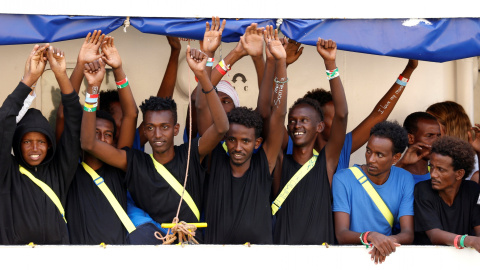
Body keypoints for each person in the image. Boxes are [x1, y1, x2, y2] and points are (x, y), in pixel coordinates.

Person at [80, 33, 228, 245]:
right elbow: (88, 143)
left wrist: (203, 76)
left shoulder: (191, 154)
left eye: (165, 127)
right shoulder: (135, 162)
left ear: (176, 129)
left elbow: (222, 127)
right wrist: (94, 86)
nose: (158, 135)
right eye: (150, 128)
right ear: (145, 132)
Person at [203, 25, 288, 244]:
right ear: (223, 138)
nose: (238, 147)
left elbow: (276, 114)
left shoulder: (264, 162)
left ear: (258, 142)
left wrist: (280, 63)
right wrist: (233, 54)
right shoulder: (215, 159)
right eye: (232, 139)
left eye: (245, 141)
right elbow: (200, 102)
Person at [0, 44, 82, 244]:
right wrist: (29, 79)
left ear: (50, 144)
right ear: (17, 144)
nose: (35, 148)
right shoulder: (7, 171)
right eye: (27, 141)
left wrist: (61, 75)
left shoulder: (60, 170)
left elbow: (74, 123)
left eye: (41, 142)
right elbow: (4, 121)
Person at [272, 38, 348, 245]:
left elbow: (342, 114)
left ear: (320, 127)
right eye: (293, 121)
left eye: (304, 120)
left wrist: (330, 64)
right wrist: (282, 64)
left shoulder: (327, 162)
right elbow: (274, 113)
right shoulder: (279, 162)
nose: (297, 125)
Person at [66, 36, 138, 244]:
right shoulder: (69, 170)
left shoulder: (118, 168)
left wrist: (118, 69)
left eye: (108, 135)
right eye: (96, 133)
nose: (102, 139)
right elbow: (64, 113)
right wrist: (81, 66)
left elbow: (130, 114)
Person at [285, 59, 418, 171]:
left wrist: (409, 70)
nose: (341, 121)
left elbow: (378, 115)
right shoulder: (290, 143)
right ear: (318, 123)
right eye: (335, 118)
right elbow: (273, 112)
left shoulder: (342, 146)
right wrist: (283, 64)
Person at [332, 121, 414, 264]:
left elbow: (408, 234)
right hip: (348, 259)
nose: (370, 159)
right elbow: (341, 234)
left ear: (396, 158)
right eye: (368, 151)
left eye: (379, 155)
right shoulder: (343, 179)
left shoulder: (405, 178)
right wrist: (371, 236)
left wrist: (384, 242)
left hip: (385, 257)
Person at [413, 136, 480, 251]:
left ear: (459, 174)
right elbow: (434, 235)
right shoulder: (423, 189)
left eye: (441, 169)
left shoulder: (472, 190)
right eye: (431, 167)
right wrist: (468, 240)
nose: (433, 174)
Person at [427, 101, 479, 183]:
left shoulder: (475, 168)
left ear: (451, 129)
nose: (427, 130)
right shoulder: (428, 159)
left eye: (432, 124)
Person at [396, 112, 441, 184]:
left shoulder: (440, 176)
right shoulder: (396, 177)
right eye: (429, 136)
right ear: (410, 138)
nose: (437, 141)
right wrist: (401, 164)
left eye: (438, 136)